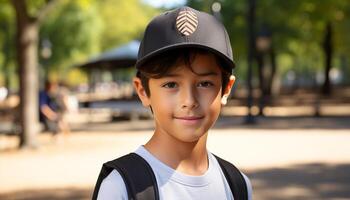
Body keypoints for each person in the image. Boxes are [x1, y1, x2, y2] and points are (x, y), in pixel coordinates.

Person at [94, 6, 253, 200]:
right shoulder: (122, 187)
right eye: (171, 84)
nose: (189, 101)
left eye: (205, 83)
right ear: (143, 91)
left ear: (226, 88)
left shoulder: (237, 185)